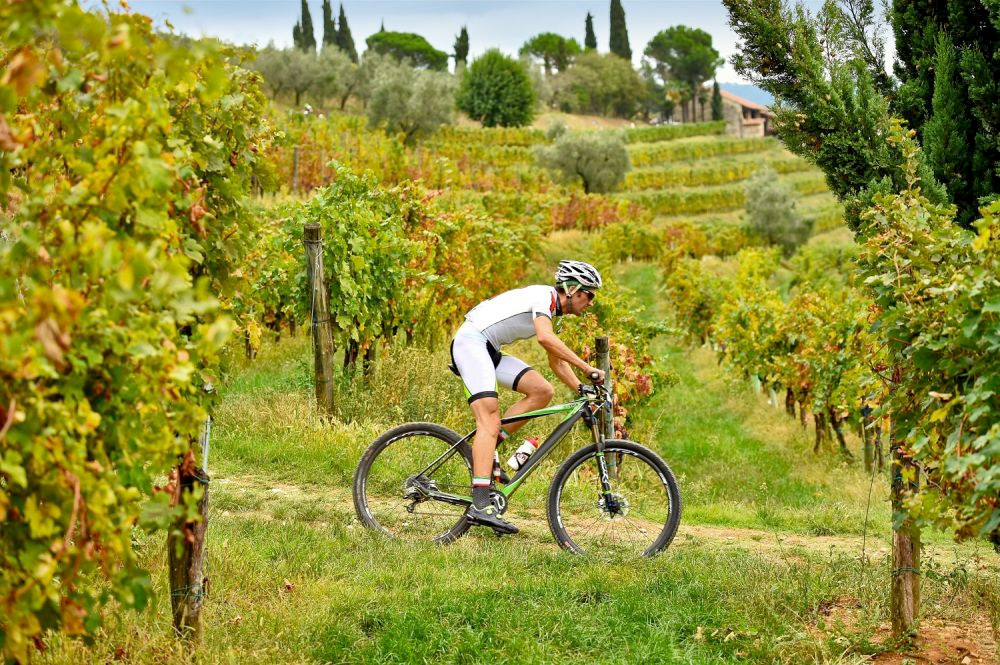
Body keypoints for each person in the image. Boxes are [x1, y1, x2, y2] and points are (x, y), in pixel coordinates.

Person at [449, 260, 606, 534]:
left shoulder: (550, 311)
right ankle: (480, 503)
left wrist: (580, 387)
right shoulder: (542, 297)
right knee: (488, 420)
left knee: (542, 391)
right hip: (471, 343)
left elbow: (555, 361)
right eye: (589, 294)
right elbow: (546, 339)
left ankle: (490, 448)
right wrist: (586, 367)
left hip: (488, 349)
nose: (591, 302)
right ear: (572, 290)